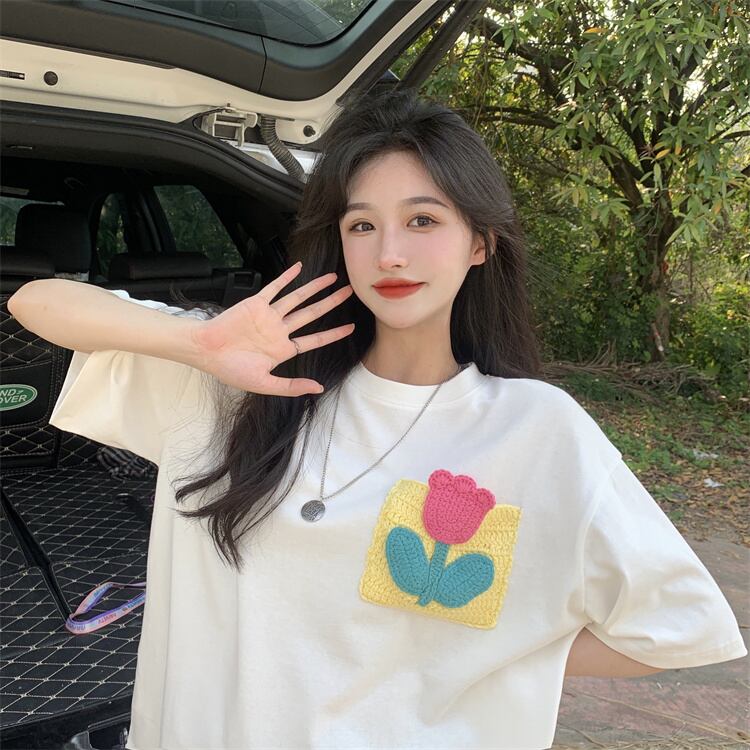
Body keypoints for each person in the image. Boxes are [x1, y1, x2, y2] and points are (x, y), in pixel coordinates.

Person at [9, 87, 746, 750]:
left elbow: (673, 627)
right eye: (362, 225)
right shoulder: (238, 378)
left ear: (481, 241)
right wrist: (197, 343)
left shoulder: (534, 428)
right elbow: (35, 303)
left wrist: (483, 646)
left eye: (422, 219)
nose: (390, 253)